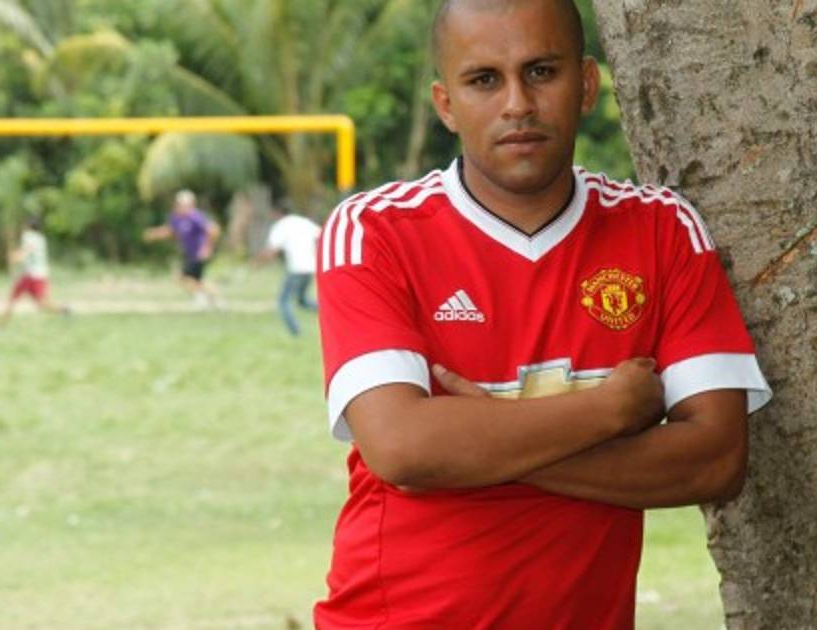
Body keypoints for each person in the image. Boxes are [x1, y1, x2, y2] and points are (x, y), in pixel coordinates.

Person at [313, 0, 773, 627]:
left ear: (586, 84)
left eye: (541, 72)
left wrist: (478, 439)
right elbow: (401, 448)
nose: (517, 105)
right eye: (484, 80)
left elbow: (716, 459)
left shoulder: (661, 229)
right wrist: (608, 412)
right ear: (446, 104)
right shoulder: (375, 231)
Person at [143, 189, 222, 309]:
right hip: (189, 253)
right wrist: (154, 234)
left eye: (183, 204)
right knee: (191, 279)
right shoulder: (177, 218)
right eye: (178, 204)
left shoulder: (195, 217)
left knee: (184, 277)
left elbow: (213, 230)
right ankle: (207, 299)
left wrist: (207, 248)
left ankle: (207, 298)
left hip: (199, 252)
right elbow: (169, 231)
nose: (179, 206)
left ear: (191, 204)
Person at [255, 203, 322, 335]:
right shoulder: (304, 222)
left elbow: (272, 250)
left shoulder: (280, 225)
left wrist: (258, 262)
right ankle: (330, 312)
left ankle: (295, 331)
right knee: (302, 301)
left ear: (277, 212)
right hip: (311, 268)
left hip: (296, 269)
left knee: (283, 302)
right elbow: (322, 236)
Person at [0, 216, 69, 328]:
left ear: (29, 226)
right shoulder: (41, 238)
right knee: (38, 304)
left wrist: (14, 256)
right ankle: (64, 311)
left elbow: (25, 252)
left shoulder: (29, 236)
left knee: (17, 300)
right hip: (38, 275)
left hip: (33, 276)